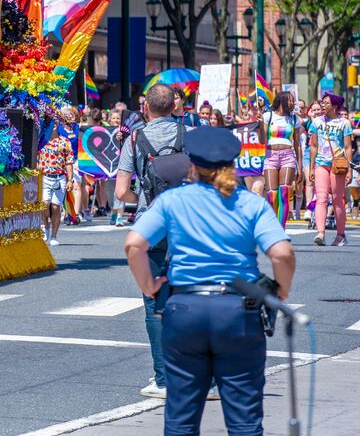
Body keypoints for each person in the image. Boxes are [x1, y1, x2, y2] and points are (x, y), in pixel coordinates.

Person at [125, 127, 295, 435]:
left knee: (181, 417)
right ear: (232, 163)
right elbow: (282, 254)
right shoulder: (250, 202)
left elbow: (135, 244)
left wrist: (149, 285)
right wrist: (281, 291)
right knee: (244, 418)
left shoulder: (173, 200)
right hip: (237, 311)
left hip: (185, 309)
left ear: (192, 163)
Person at [115, 83, 189, 399]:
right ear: (174, 106)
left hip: (152, 224)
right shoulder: (189, 135)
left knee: (155, 302)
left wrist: (142, 198)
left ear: (146, 108)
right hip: (188, 224)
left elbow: (120, 192)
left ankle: (163, 379)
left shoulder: (134, 139)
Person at [309, 93, 353, 246]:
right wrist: (312, 168)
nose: (322, 105)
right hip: (321, 163)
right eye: (322, 102)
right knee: (320, 198)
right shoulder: (316, 122)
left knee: (337, 199)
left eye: (326, 103)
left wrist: (349, 169)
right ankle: (320, 233)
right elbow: (313, 146)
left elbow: (348, 147)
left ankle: (341, 235)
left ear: (334, 106)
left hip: (338, 164)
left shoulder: (344, 123)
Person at [261, 89, 302, 226]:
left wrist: (300, 167)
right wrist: (261, 126)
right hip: (270, 157)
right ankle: (272, 226)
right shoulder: (268, 116)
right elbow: (262, 140)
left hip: (287, 157)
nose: (293, 103)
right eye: (291, 100)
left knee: (284, 193)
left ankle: (281, 229)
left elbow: (297, 144)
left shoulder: (294, 119)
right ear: (282, 100)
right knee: (272, 196)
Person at [39, 123, 74, 247]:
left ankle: (54, 236)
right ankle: (46, 226)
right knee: (44, 204)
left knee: (55, 207)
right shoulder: (41, 139)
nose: (52, 125)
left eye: (54, 123)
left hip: (59, 178)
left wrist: (70, 180)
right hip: (44, 177)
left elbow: (69, 162)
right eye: (50, 123)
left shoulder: (65, 142)